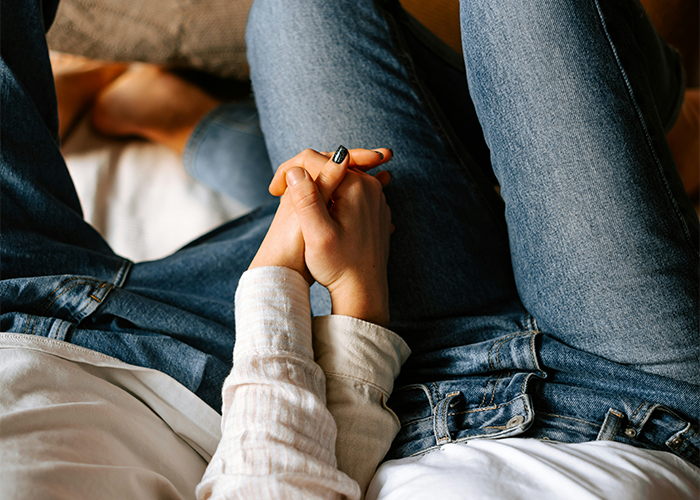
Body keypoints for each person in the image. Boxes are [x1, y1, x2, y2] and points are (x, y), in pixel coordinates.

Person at [1, 1, 699, 500]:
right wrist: (331, 293)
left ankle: (192, 128)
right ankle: (652, 127)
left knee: (296, 15)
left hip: (407, 387)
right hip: (633, 407)